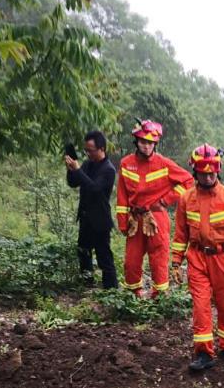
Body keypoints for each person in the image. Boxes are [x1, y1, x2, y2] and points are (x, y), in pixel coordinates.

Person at [171, 144, 224, 371]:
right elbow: (180, 234)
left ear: (218, 170)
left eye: (211, 173)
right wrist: (176, 262)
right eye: (203, 173)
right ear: (195, 172)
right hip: (197, 257)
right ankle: (204, 353)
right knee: (200, 306)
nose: (208, 177)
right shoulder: (186, 199)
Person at [115, 119, 194, 297]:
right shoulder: (126, 163)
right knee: (132, 260)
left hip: (156, 217)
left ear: (155, 143)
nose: (146, 146)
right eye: (143, 142)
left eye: (150, 143)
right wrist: (122, 222)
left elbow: (188, 181)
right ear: (137, 142)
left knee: (159, 257)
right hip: (135, 218)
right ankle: (133, 294)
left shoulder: (164, 163)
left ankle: (159, 296)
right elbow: (122, 197)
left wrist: (166, 201)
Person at [65, 130, 118, 289]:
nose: (88, 153)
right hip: (86, 218)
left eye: (90, 150)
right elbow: (74, 183)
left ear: (101, 148)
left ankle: (111, 290)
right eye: (86, 150)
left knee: (104, 258)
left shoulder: (108, 169)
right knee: (83, 253)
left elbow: (94, 188)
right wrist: (71, 168)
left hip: (100, 220)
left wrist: (78, 170)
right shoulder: (88, 164)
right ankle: (86, 286)